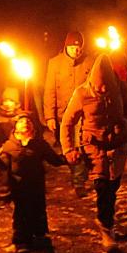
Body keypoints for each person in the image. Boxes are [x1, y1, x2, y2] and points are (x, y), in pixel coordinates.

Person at [61, 55, 127, 253]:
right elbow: (67, 122)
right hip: (93, 148)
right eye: (99, 86)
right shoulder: (82, 93)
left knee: (113, 186)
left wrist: (126, 122)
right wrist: (68, 148)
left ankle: (105, 219)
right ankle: (106, 228)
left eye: (106, 86)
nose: (102, 90)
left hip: (117, 146)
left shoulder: (121, 87)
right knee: (103, 188)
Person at [0, 113, 66, 253]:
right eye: (21, 121)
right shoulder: (9, 146)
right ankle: (22, 241)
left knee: (39, 209)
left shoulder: (39, 144)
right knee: (21, 212)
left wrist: (69, 158)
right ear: (15, 127)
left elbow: (54, 159)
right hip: (19, 186)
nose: (25, 123)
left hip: (36, 184)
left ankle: (40, 235)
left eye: (28, 121)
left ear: (33, 127)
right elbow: (3, 166)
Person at [44, 30, 95, 197]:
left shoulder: (89, 62)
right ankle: (77, 175)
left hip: (84, 113)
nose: (76, 50)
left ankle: (80, 180)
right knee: (69, 146)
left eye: (79, 47)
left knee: (82, 145)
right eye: (73, 47)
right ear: (66, 47)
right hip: (63, 113)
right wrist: (50, 116)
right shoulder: (55, 63)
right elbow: (50, 91)